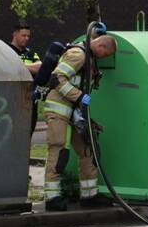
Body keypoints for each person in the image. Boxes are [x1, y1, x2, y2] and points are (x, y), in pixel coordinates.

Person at [43, 33, 117, 211]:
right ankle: (52, 198)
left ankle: (89, 195)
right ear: (100, 46)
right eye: (106, 54)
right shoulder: (78, 55)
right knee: (59, 149)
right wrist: (79, 96)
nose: (104, 57)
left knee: (88, 149)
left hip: (74, 112)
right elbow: (57, 78)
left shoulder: (90, 59)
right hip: (59, 109)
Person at [7, 23, 42, 136]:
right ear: (15, 34)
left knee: (29, 130)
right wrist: (30, 67)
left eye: (28, 36)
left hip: (30, 97)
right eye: (23, 35)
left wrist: (20, 66)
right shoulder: (6, 51)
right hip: (12, 96)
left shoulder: (30, 53)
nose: (26, 38)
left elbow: (40, 67)